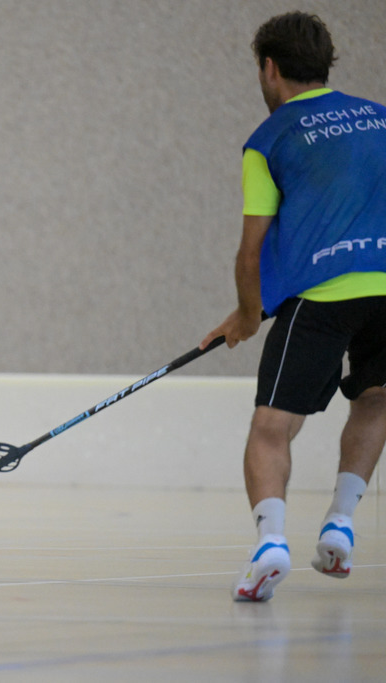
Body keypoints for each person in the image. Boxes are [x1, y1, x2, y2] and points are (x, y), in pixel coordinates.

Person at [202, 13, 386, 602]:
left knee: (272, 427)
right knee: (376, 399)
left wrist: (246, 314)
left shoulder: (271, 138)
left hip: (323, 297)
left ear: (269, 68)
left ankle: (270, 544)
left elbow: (250, 250)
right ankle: (340, 523)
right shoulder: (381, 118)